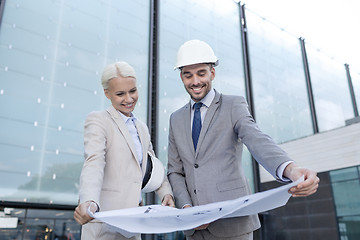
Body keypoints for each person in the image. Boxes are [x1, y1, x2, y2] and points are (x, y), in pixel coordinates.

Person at [167, 39, 320, 240]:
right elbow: (175, 171)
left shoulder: (233, 105)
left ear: (212, 73)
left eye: (201, 73)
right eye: (188, 75)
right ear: (181, 77)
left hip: (233, 223)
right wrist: (187, 208)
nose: (195, 81)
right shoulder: (175, 119)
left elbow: (257, 139)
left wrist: (291, 169)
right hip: (194, 228)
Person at [74, 61, 174, 240]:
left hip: (133, 225)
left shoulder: (141, 128)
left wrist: (165, 193)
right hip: (104, 224)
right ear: (107, 93)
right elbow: (94, 162)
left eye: (133, 91)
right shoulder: (98, 120)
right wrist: (89, 200)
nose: (128, 99)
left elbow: (153, 165)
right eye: (120, 94)